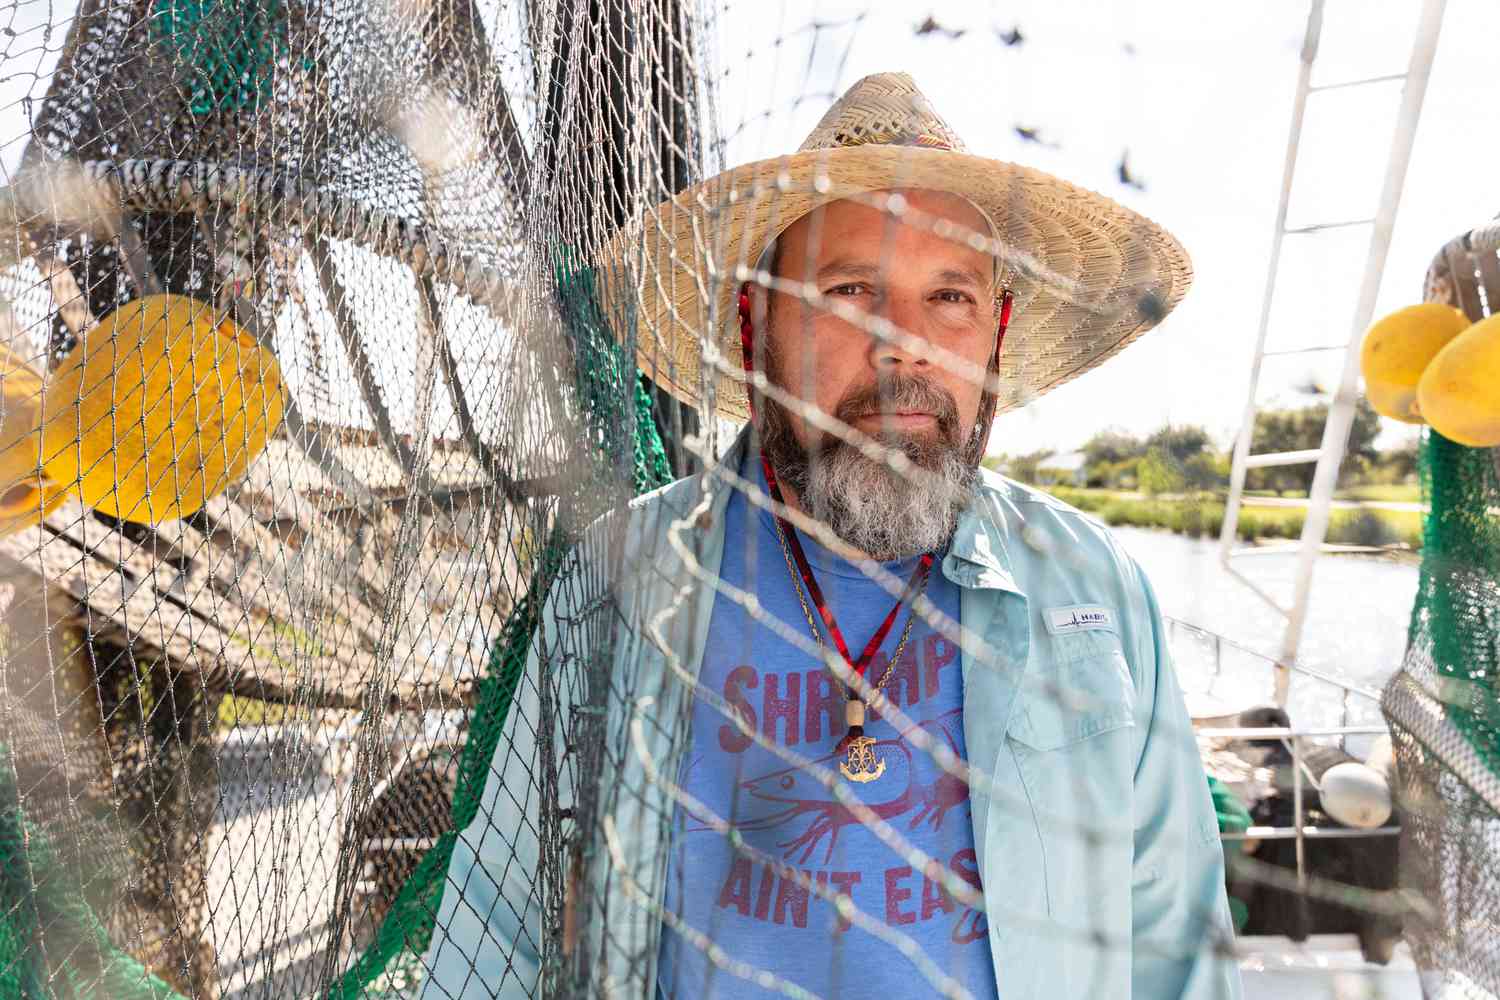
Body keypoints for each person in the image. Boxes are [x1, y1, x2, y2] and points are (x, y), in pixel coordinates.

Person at [421, 72, 1242, 999]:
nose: (905, 344)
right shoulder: (622, 575)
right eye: (850, 291)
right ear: (754, 325)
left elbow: (1175, 933)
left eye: (951, 297)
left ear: (995, 337)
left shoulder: (1090, 584)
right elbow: (496, 924)